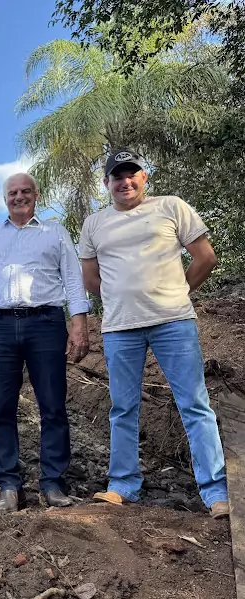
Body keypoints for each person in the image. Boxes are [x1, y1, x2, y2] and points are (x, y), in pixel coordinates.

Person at [79, 150, 229, 519]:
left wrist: (179, 292)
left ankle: (216, 492)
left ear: (144, 177)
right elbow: (90, 278)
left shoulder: (171, 207)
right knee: (123, 408)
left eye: (132, 174)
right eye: (117, 176)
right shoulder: (94, 224)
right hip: (119, 329)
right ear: (107, 184)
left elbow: (205, 257)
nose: (125, 181)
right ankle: (122, 487)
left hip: (173, 322)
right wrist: (121, 299)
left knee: (194, 405)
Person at [0, 173, 91, 514]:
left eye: (25, 191)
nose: (19, 197)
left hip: (46, 324)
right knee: (0, 408)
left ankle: (53, 482)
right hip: (1, 326)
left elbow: (73, 280)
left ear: (36, 195)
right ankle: (9, 484)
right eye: (12, 193)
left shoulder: (55, 232)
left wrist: (79, 323)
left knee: (52, 405)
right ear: (5, 199)